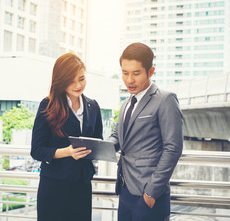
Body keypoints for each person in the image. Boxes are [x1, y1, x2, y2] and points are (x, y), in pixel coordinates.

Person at [108, 43, 183, 221]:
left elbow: (173, 148)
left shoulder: (165, 99)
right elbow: (117, 137)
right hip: (125, 190)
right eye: (125, 73)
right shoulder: (126, 103)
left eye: (136, 73)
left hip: (148, 195)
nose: (129, 80)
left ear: (150, 72)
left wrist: (151, 193)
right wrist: (97, 147)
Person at [31, 52, 103, 221]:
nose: (78, 85)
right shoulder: (47, 105)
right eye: (71, 80)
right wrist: (67, 152)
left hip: (82, 185)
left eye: (81, 78)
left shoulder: (93, 106)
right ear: (61, 81)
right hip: (54, 185)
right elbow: (37, 150)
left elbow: (97, 140)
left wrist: (99, 150)